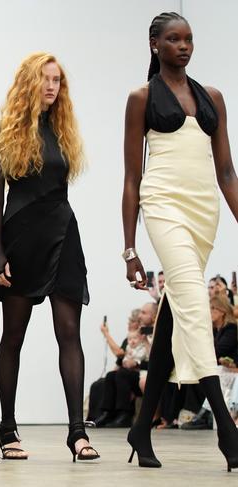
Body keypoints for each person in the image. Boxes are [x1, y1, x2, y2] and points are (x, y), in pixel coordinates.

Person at [122, 12, 238, 470]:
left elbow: (226, 171)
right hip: (163, 204)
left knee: (173, 319)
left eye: (188, 39)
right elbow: (132, 177)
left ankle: (141, 426)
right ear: (155, 44)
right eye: (174, 39)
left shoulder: (212, 97)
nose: (183, 46)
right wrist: (130, 248)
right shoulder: (141, 98)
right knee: (192, 301)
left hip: (202, 211)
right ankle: (228, 434)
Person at [0, 52, 98, 462]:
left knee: (69, 332)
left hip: (64, 233)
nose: (52, 86)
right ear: (29, 82)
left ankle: (77, 434)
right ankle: (7, 428)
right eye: (45, 79)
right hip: (21, 237)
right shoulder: (2, 132)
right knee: (14, 336)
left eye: (58, 80)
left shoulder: (63, 132)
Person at [180, 295, 238, 429]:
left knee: (210, 373)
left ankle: (204, 414)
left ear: (222, 311)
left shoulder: (231, 328)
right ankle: (197, 414)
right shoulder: (214, 329)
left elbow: (218, 351)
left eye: (213, 308)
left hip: (231, 369)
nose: (209, 311)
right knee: (191, 374)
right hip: (221, 368)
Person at [96, 303, 155, 428]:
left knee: (122, 374)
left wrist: (136, 363)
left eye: (143, 314)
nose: (140, 316)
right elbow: (121, 358)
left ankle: (124, 413)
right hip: (132, 372)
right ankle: (107, 412)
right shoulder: (132, 337)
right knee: (111, 375)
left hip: (144, 374)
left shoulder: (152, 333)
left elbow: (152, 358)